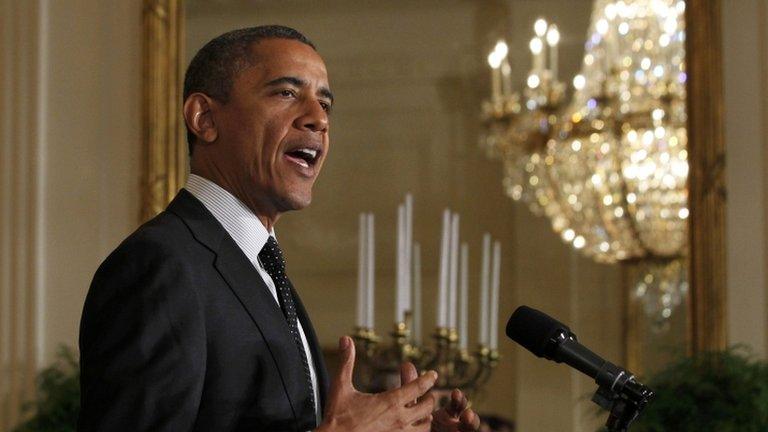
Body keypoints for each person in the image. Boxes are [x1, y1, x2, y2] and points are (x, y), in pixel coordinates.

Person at [78, 25, 480, 432]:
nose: (318, 118)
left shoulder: (262, 267)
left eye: (325, 103)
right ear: (204, 118)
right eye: (287, 93)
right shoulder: (158, 266)